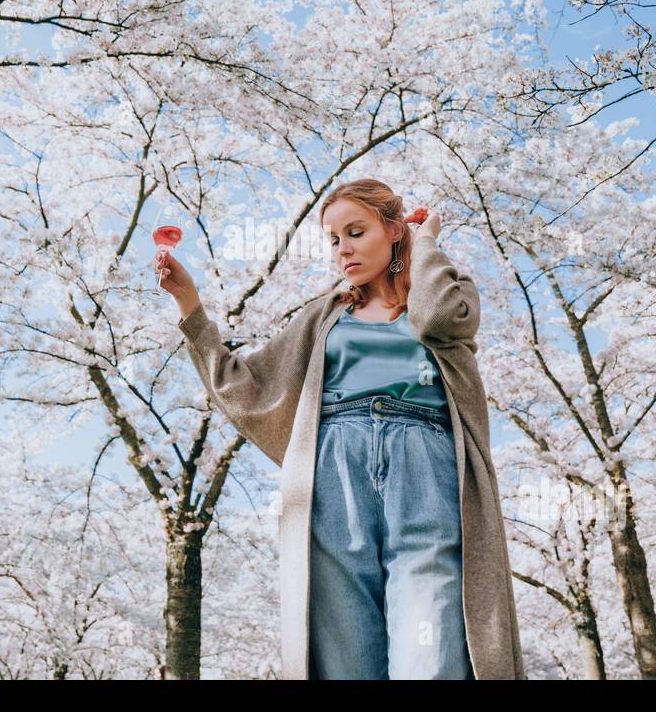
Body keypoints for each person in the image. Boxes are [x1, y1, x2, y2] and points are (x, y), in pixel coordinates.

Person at [156, 178, 526, 680]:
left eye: (356, 231)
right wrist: (189, 305)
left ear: (395, 231)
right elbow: (243, 385)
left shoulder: (444, 292)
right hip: (333, 477)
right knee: (345, 658)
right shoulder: (323, 317)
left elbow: (438, 317)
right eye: (333, 239)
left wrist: (427, 244)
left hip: (426, 470)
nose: (343, 248)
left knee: (431, 650)